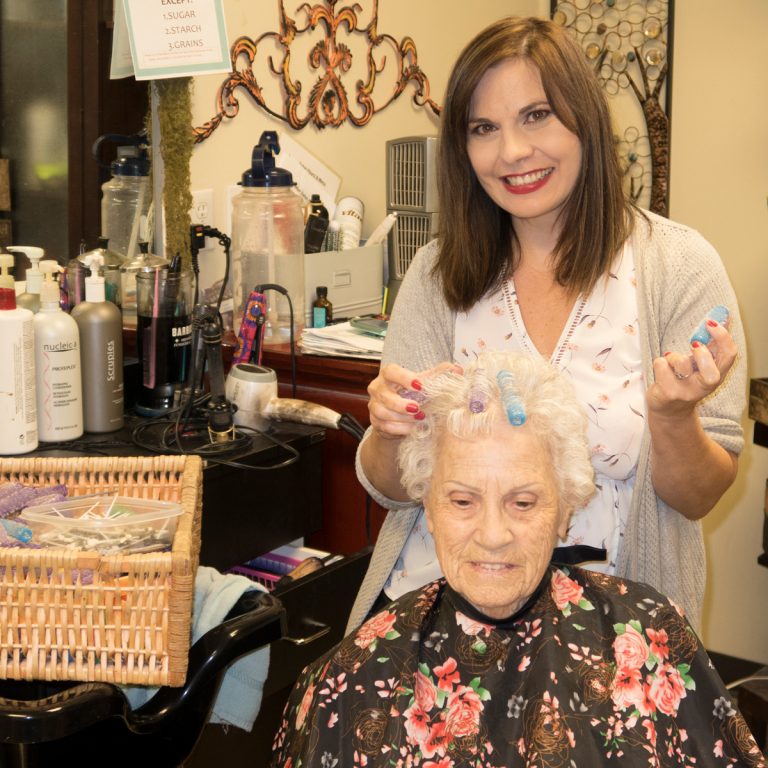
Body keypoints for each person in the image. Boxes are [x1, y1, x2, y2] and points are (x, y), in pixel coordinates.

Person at [348, 15, 745, 634]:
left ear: (583, 119)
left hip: (615, 636)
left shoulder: (677, 265)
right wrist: (391, 430)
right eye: (484, 128)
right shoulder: (436, 275)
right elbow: (393, 490)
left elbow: (697, 496)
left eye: (536, 116)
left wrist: (671, 417)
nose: (512, 152)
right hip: (443, 627)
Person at [272, 353, 764, 767]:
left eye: (523, 503)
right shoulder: (347, 679)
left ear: (566, 509)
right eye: (462, 501)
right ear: (428, 506)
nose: (492, 535)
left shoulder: (650, 636)